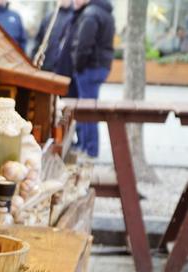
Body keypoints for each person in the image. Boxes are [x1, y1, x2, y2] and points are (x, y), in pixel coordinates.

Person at [70, 0, 115, 157]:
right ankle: (87, 146)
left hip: (90, 68)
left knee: (87, 109)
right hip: (100, 66)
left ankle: (89, 149)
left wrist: (78, 66)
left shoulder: (91, 14)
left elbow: (84, 45)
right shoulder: (105, 12)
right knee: (89, 106)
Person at [31, 0, 76, 74]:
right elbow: (38, 41)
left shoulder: (74, 18)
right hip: (43, 66)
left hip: (61, 70)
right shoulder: (49, 17)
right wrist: (32, 60)